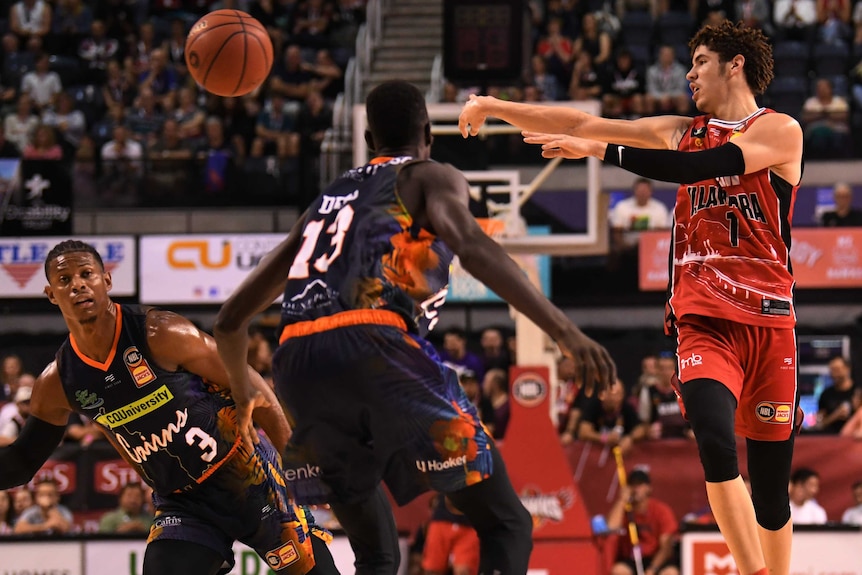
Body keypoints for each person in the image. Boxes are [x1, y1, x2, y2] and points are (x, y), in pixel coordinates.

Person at [213, 80, 616, 575]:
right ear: (428, 132)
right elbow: (471, 244)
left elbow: (230, 318)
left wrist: (242, 392)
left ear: (366, 136)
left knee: (378, 554)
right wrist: (563, 330)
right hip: (377, 345)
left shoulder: (324, 201)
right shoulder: (430, 176)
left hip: (297, 363)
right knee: (506, 523)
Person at [460, 20, 803, 575]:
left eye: (700, 62)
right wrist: (498, 106)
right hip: (704, 320)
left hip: (770, 322)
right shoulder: (679, 128)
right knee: (715, 442)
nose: (690, 74)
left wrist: (601, 150)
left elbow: (699, 168)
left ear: (734, 64)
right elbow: (581, 120)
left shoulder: (781, 131)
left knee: (770, 490)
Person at [0, 241, 338, 575]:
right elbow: (22, 461)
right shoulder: (59, 380)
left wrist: (298, 465)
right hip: (183, 502)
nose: (77, 284)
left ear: (106, 281)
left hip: (249, 478)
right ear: (50, 294)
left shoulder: (160, 332)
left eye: (86, 274)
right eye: (65, 280)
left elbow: (253, 385)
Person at [607, 469, 679, 575]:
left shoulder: (661, 510)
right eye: (632, 485)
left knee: (670, 573)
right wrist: (622, 500)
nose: (636, 489)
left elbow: (666, 546)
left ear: (648, 488)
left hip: (655, 559)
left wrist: (652, 569)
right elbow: (610, 528)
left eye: (639, 485)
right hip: (632, 559)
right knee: (618, 571)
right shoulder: (624, 510)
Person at [815, 357, 860, 434]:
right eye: (832, 370)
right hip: (830, 439)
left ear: (847, 369)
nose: (834, 374)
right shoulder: (826, 394)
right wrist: (835, 415)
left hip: (854, 439)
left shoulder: (858, 392)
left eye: (837, 370)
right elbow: (819, 424)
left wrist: (857, 409)